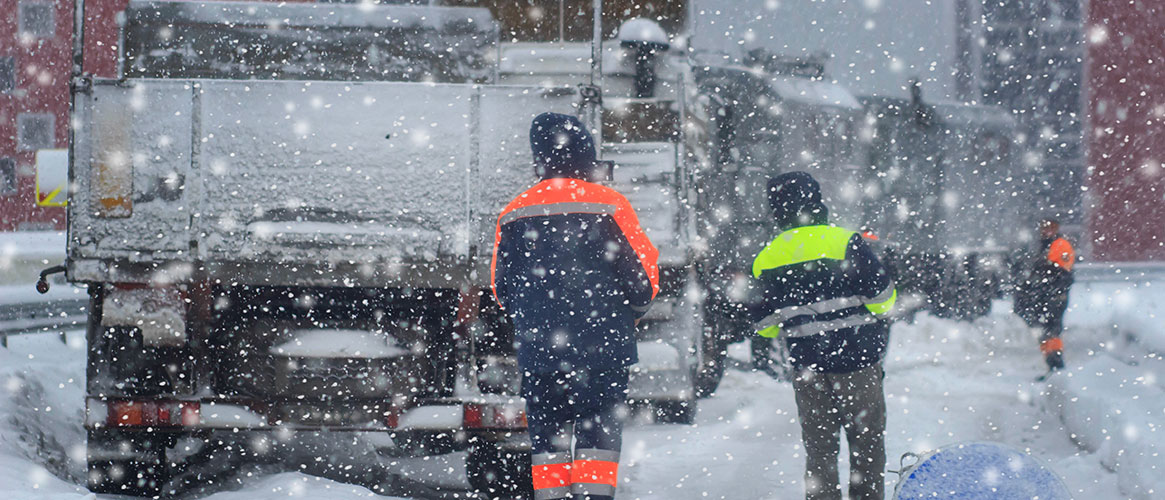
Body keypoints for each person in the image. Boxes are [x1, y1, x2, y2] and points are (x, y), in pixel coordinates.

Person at [491, 112, 659, 500]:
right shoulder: (611, 205)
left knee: (547, 452)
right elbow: (643, 283)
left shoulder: (515, 211)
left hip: (541, 353)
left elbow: (502, 290)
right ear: (586, 155)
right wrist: (628, 312)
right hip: (604, 351)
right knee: (597, 448)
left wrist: (536, 317)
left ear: (540, 156)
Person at [747, 172, 896, 500]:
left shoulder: (767, 258)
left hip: (808, 370)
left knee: (820, 453)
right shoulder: (845, 242)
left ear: (776, 210)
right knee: (867, 449)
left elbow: (765, 325)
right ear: (816, 201)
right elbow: (884, 299)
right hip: (858, 363)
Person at [1016, 218, 1075, 371]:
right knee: (1044, 332)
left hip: (1054, 296)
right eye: (1044, 228)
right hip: (1044, 296)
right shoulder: (1044, 246)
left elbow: (1064, 273)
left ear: (1056, 229)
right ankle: (1051, 365)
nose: (1046, 231)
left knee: (1052, 331)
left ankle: (1056, 365)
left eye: (1050, 228)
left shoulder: (1060, 245)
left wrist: (1054, 290)